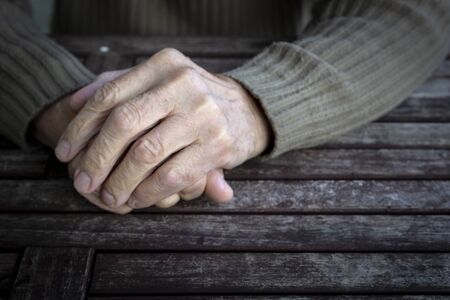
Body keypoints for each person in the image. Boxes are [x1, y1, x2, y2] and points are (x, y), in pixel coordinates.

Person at [1, 0, 449, 214]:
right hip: (81, 88)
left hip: (276, 88)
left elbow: (412, 8)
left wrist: (252, 104)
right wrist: (59, 97)